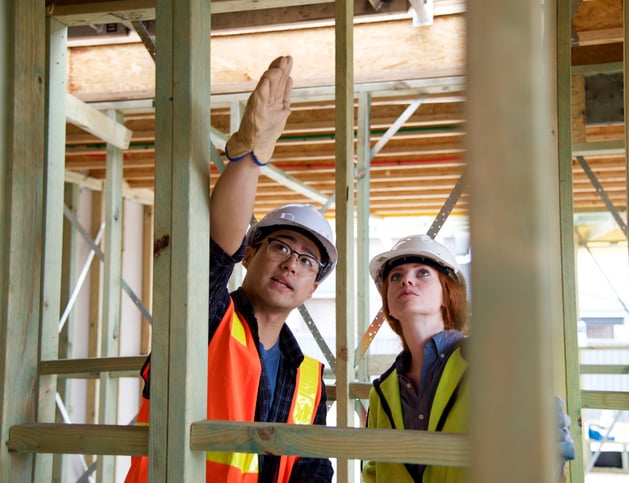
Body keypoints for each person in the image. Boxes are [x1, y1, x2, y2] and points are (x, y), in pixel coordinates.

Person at [125, 55, 335, 482]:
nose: (291, 263)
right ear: (250, 255)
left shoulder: (308, 378)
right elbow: (211, 256)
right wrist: (249, 160)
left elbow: (311, 469)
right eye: (280, 246)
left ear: (312, 287)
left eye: (307, 260)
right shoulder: (210, 318)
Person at [361, 235, 574, 482]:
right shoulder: (382, 392)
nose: (406, 280)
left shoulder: (492, 364)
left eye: (422, 273)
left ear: (447, 293)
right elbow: (373, 471)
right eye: (395, 276)